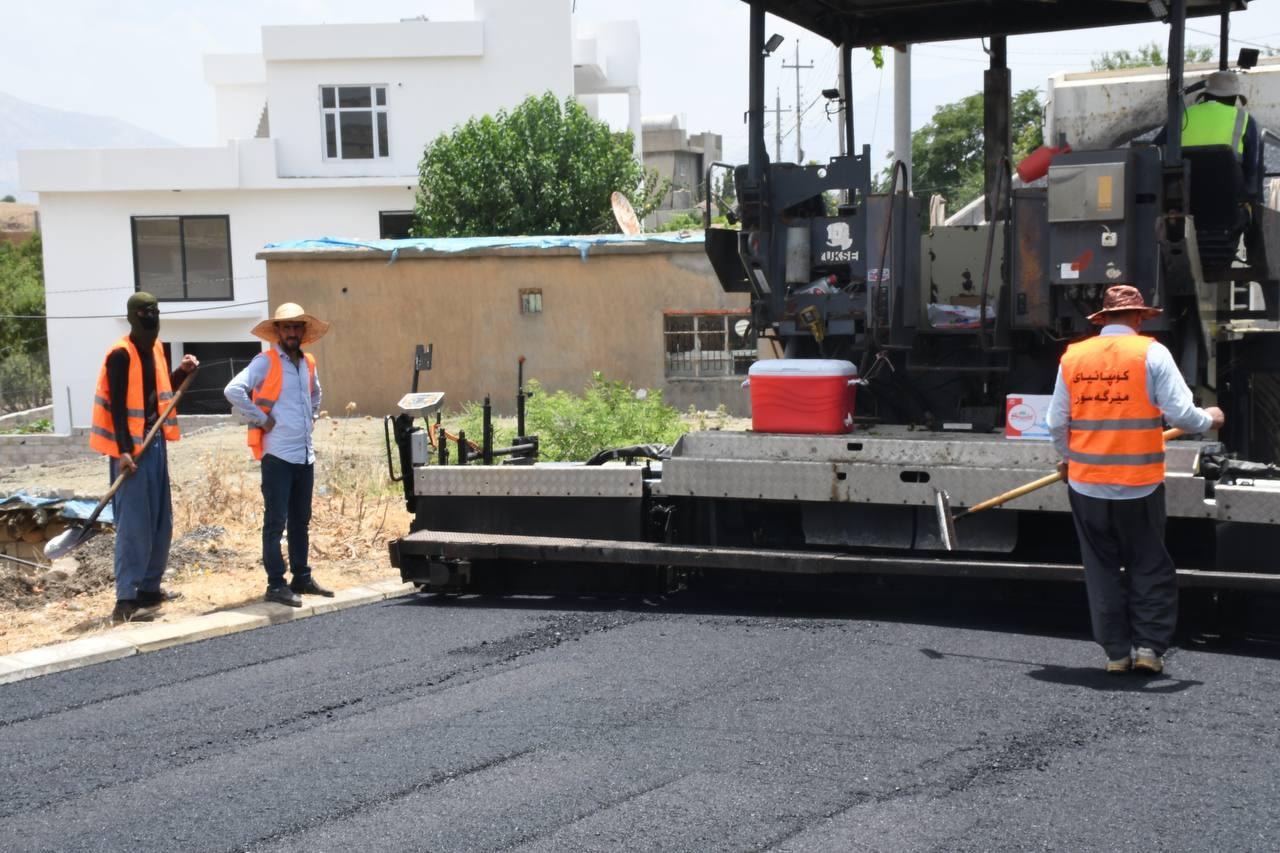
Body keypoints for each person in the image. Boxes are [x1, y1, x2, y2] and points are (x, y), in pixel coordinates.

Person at [1046, 285, 1224, 675]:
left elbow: (1056, 422)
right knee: (1149, 565)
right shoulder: (1151, 352)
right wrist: (1208, 419)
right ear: (1140, 317)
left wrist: (1069, 458)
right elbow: (1181, 415)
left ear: (1103, 318)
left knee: (1101, 569)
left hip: (1087, 485)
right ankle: (1148, 650)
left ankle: (1115, 654)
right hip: (1138, 485)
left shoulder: (1073, 357)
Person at [89, 292, 199, 624]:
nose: (151, 317)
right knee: (134, 525)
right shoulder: (120, 355)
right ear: (133, 318)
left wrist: (181, 371)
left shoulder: (155, 348)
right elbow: (120, 408)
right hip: (130, 451)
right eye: (145, 313)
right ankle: (126, 599)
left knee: (159, 521)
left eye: (155, 311)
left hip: (154, 444)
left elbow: (160, 392)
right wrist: (123, 450)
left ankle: (150, 588)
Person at [224, 303, 333, 607]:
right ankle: (275, 584)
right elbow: (233, 390)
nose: (292, 332)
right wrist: (260, 417)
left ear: (302, 332)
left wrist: (311, 417)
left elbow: (316, 393)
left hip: (304, 456)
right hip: (278, 456)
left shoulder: (308, 363)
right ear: (278, 332)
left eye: (297, 327)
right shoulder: (265, 361)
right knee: (276, 523)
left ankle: (302, 576)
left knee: (301, 521)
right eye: (286, 327)